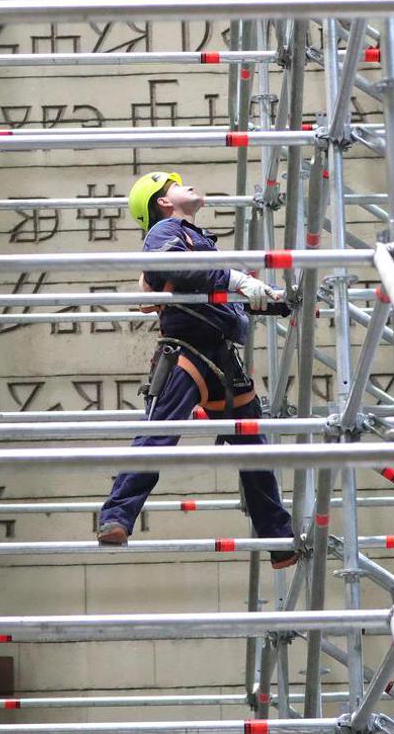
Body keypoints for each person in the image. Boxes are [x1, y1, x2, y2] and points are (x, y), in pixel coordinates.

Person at [96, 170, 299, 569]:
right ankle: (116, 516)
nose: (187, 185)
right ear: (163, 203)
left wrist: (274, 300)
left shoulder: (197, 240)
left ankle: (277, 535)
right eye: (174, 185)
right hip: (186, 350)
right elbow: (171, 268)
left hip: (221, 355)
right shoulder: (166, 232)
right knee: (158, 436)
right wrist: (237, 278)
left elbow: (220, 300)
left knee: (255, 451)